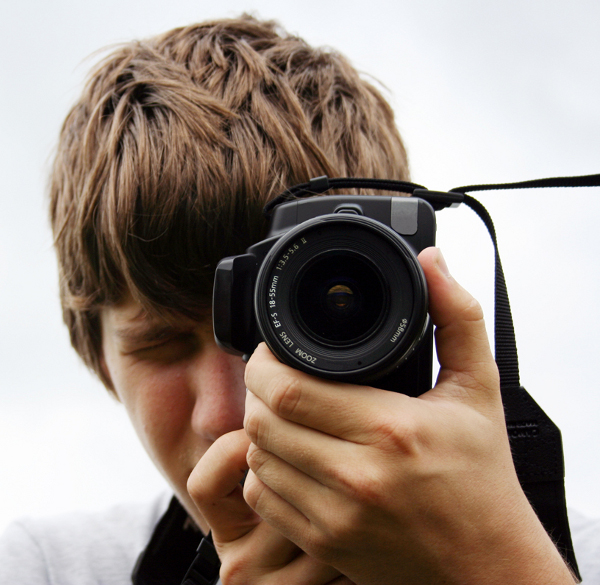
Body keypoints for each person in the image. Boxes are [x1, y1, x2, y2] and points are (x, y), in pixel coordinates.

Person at [0, 14, 594, 585]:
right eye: (160, 344)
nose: (227, 414)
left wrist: (493, 568)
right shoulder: (37, 569)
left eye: (276, 327)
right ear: (99, 359)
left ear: (414, 307)